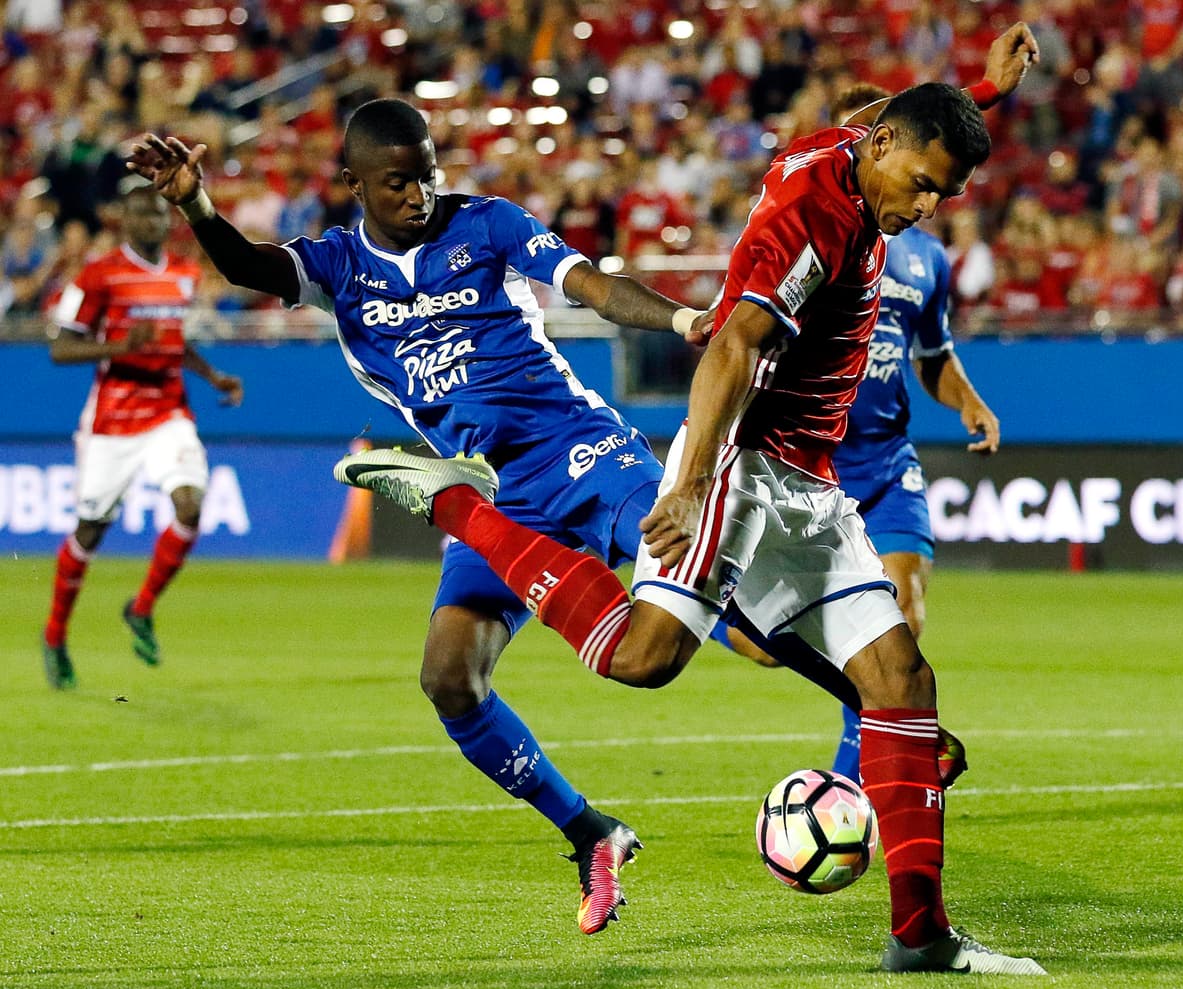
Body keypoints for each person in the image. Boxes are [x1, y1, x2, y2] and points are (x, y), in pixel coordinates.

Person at [339, 65, 1049, 974]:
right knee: (644, 658)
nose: (929, 207)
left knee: (903, 681)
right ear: (879, 154)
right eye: (923, 185)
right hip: (742, 470)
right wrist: (690, 484)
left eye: (943, 193)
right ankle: (456, 503)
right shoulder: (813, 225)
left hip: (809, 482)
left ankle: (921, 939)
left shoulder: (842, 149)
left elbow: (884, 118)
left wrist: (975, 96)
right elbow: (736, 345)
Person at [126, 98, 713, 936]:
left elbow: (591, 284)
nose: (420, 193)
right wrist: (195, 203)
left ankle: (863, 705)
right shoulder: (337, 264)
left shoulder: (487, 224)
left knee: (693, 582)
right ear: (354, 184)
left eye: (428, 171)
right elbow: (250, 267)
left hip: (582, 450)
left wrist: (685, 317)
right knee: (448, 675)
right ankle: (590, 830)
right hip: (492, 492)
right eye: (399, 181)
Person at [716, 82, 1001, 787]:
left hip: (884, 463)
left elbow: (932, 357)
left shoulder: (926, 258)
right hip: (812, 462)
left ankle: (856, 796)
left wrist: (967, 401)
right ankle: (724, 611)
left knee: (898, 624)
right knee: (772, 644)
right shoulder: (822, 213)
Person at [41, 181, 244, 689]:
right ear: (125, 221)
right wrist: (118, 346)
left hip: (169, 412)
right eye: (140, 215)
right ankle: (55, 634)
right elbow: (60, 350)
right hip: (112, 421)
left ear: (168, 220)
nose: (151, 223)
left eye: (158, 214)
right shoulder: (98, 274)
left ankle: (142, 606)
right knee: (91, 530)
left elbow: (173, 342)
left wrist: (212, 374)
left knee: (191, 506)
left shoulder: (183, 272)